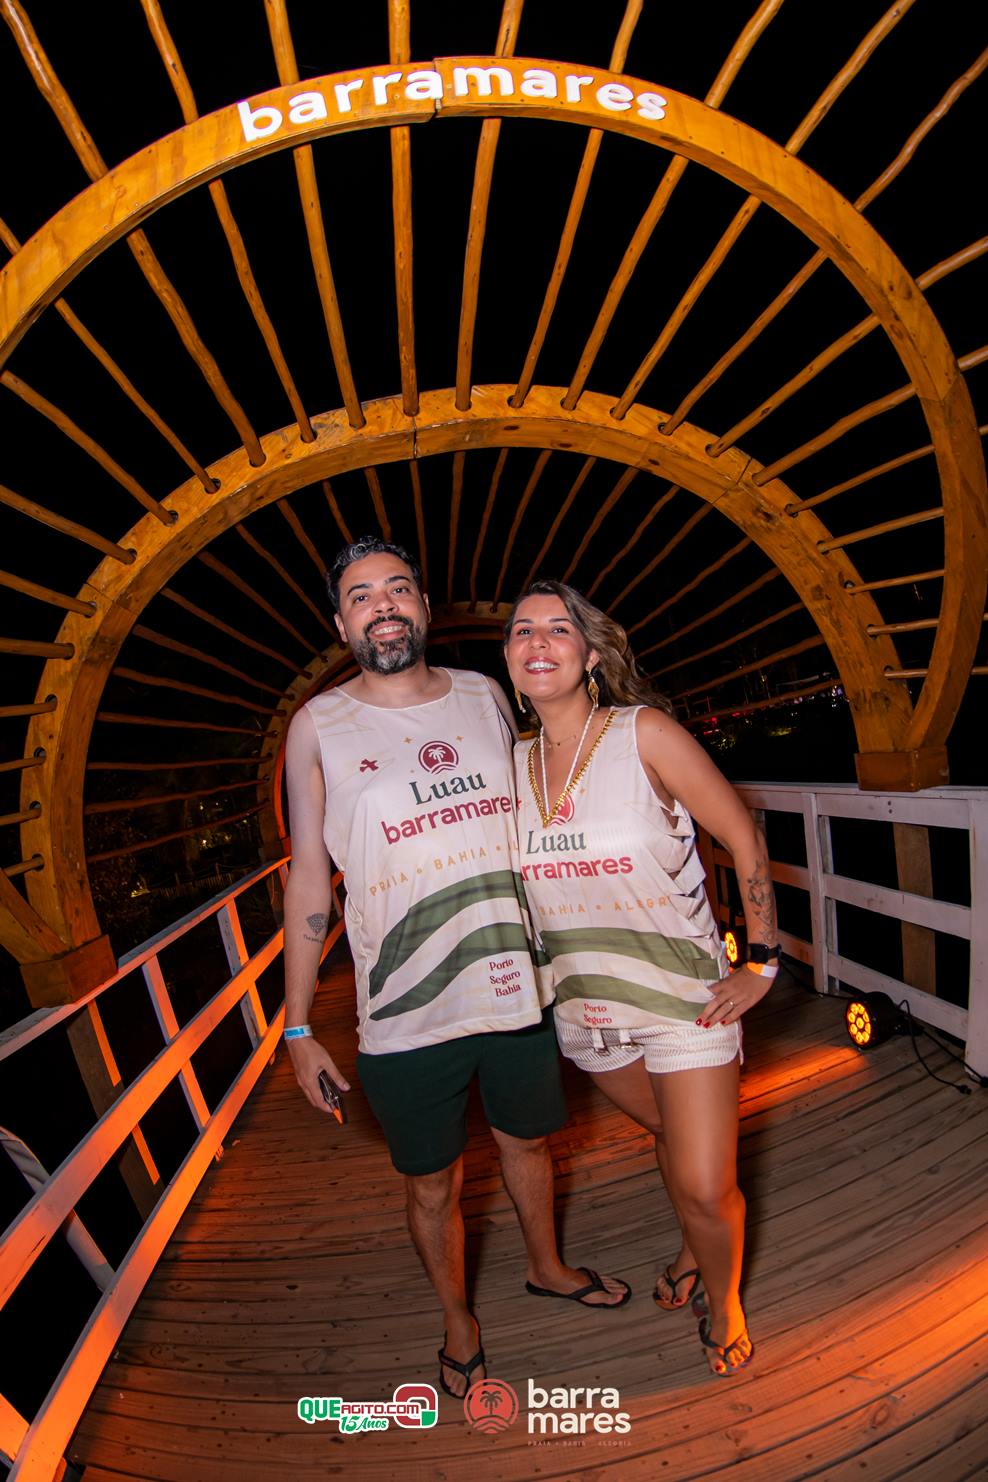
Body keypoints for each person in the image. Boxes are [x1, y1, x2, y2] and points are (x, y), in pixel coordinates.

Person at [282, 539, 631, 1399]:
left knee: (529, 1143)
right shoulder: (318, 725)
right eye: (361, 595)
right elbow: (307, 878)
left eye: (398, 587)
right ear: (341, 624)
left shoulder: (483, 694)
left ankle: (546, 1266)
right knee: (432, 1182)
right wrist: (296, 1026)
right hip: (405, 1006)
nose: (383, 604)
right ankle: (457, 1321)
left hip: (514, 982)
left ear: (425, 607)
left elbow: (546, 800)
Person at [503, 579, 780, 1378]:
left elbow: (741, 834)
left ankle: (724, 1299)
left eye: (558, 629)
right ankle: (694, 1248)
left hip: (682, 1002)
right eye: (522, 631)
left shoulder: (643, 734)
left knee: (704, 1182)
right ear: (509, 659)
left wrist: (762, 961)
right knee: (670, 1138)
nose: (538, 642)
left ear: (591, 655)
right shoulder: (509, 765)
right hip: (585, 1012)